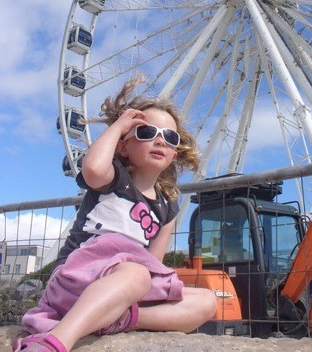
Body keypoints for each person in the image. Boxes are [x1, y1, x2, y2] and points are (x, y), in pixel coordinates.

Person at [13, 77, 217, 352]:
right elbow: (93, 169)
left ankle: (116, 317)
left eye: (170, 137)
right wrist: (119, 125)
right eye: (146, 132)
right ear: (123, 145)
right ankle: (55, 340)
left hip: (125, 285)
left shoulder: (167, 208)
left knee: (207, 301)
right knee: (137, 275)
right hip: (76, 278)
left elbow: (152, 264)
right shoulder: (114, 179)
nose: (160, 140)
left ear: (175, 151)